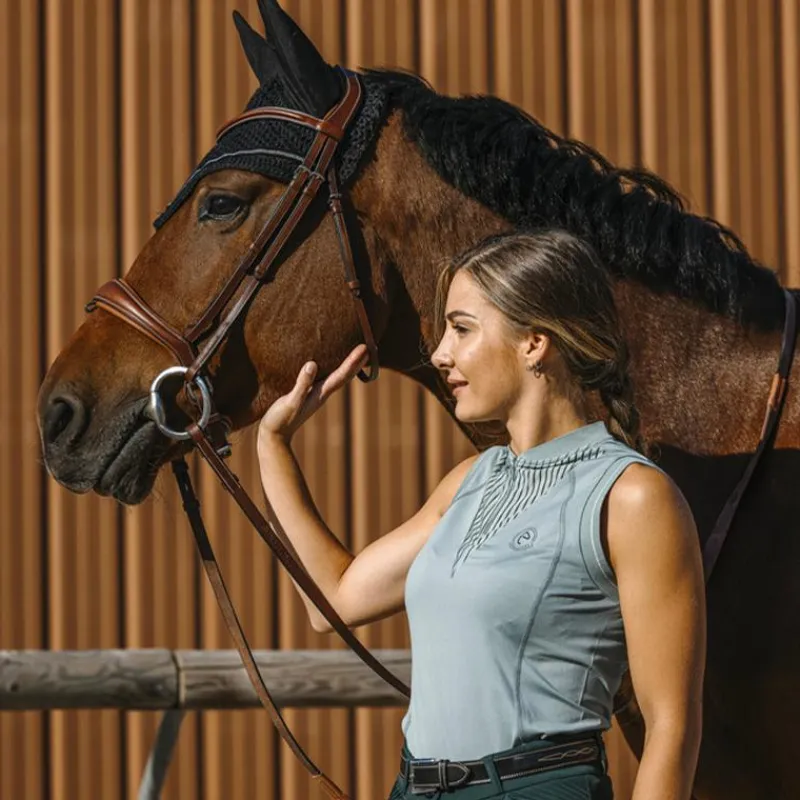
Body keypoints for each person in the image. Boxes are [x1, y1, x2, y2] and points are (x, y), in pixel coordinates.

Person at [257, 230, 706, 800]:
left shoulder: (631, 497)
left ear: (534, 343)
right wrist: (272, 446)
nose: (439, 353)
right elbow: (336, 600)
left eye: (462, 328)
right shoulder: (468, 481)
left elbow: (670, 726)